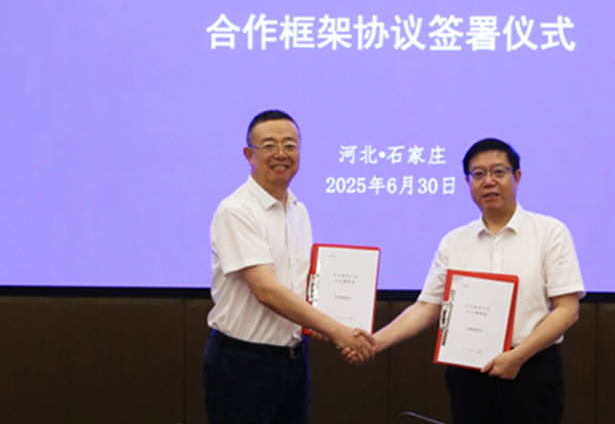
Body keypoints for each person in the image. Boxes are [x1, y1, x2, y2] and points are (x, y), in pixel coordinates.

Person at [372, 138, 585, 424]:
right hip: (468, 373)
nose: (488, 181)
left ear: (517, 177)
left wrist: (518, 357)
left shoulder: (550, 232)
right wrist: (375, 342)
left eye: (498, 172)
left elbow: (567, 310)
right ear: (467, 181)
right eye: (479, 174)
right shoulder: (454, 241)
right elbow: (427, 307)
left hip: (531, 369)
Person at [203, 110, 376, 424]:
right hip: (243, 365)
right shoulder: (237, 210)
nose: (281, 154)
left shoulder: (298, 211)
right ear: (249, 155)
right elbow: (266, 290)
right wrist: (336, 330)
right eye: (269, 145)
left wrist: (318, 320)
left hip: (294, 362)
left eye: (290, 145)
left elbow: (298, 285)